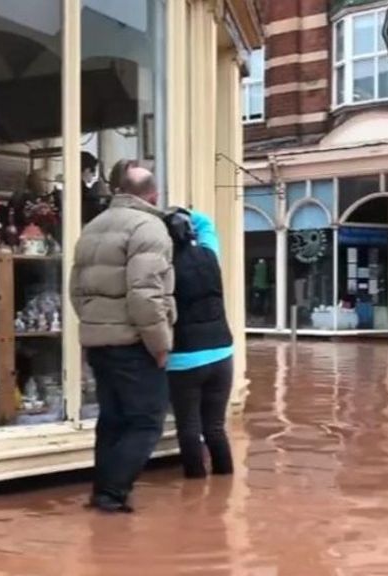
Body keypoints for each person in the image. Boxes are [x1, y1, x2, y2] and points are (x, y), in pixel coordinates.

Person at [70, 165, 175, 513]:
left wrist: (93, 326)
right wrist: (159, 344)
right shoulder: (150, 227)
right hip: (134, 343)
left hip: (99, 342)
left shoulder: (93, 226)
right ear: (153, 195)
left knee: (112, 419)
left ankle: (103, 491)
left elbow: (76, 289)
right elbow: (146, 293)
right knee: (146, 421)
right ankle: (111, 495)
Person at [165, 208, 234, 478]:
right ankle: (224, 485)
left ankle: (194, 487)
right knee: (215, 427)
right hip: (221, 353)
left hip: (184, 358)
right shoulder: (210, 255)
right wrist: (187, 211)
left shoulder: (167, 268)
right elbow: (207, 223)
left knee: (189, 429)